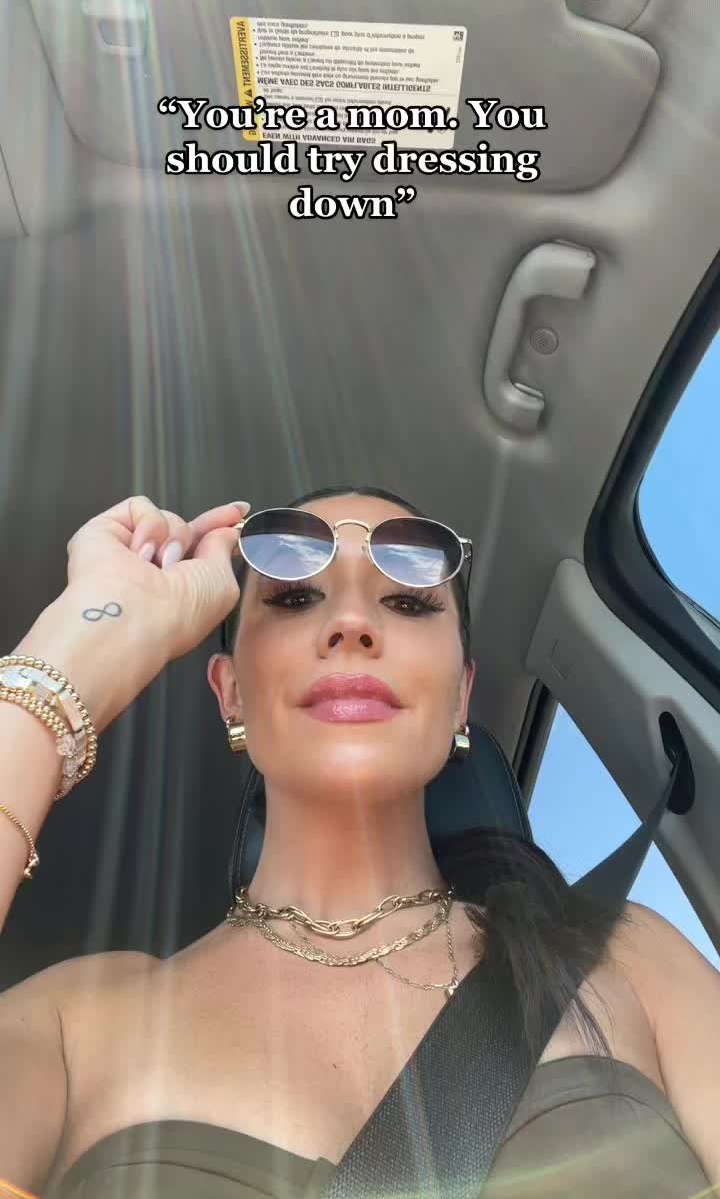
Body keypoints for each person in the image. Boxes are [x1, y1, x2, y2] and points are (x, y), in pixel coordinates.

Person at [0, 486, 718, 1199]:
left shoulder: (628, 959)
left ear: (461, 698)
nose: (351, 622)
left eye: (407, 602)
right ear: (231, 692)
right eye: (294, 597)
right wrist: (82, 641)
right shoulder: (73, 1028)